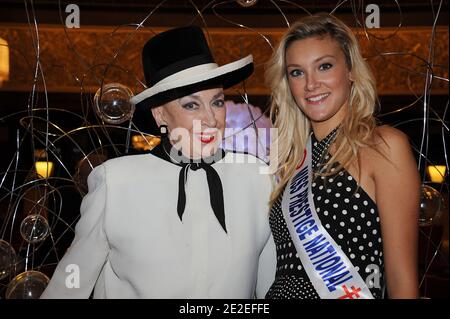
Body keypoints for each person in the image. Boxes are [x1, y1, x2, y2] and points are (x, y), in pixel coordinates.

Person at [41, 25, 276, 298]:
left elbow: (270, 285)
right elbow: (72, 281)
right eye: (192, 105)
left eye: (217, 102)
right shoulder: (116, 181)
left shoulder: (256, 178)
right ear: (160, 115)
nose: (212, 120)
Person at [264, 13, 420, 299]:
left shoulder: (383, 146)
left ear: (350, 71)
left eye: (324, 66)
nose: (311, 84)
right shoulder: (291, 162)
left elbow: (402, 280)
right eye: (296, 72)